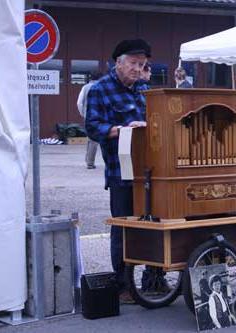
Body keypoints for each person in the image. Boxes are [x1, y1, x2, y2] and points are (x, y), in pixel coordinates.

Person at [85, 38, 152, 302]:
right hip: (120, 170)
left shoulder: (144, 89)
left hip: (149, 170)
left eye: (142, 65)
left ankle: (153, 281)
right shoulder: (100, 89)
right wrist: (122, 131)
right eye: (134, 64)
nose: (138, 69)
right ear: (119, 63)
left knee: (152, 225)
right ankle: (123, 285)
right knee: (123, 227)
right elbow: (92, 127)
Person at [77, 72, 102, 169]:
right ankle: (90, 163)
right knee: (96, 140)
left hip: (89, 117)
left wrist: (83, 114)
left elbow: (79, 103)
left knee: (91, 139)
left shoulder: (85, 87)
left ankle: (89, 160)